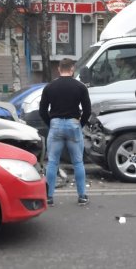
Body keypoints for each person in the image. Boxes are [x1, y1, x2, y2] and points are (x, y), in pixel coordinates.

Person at [39, 58, 91, 207]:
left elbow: (43, 111)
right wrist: (79, 125)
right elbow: (87, 110)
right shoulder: (80, 87)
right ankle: (82, 196)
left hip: (55, 125)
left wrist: (51, 124)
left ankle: (49, 197)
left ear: (59, 69)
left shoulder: (50, 87)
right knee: (78, 161)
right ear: (73, 69)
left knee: (53, 162)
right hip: (73, 124)